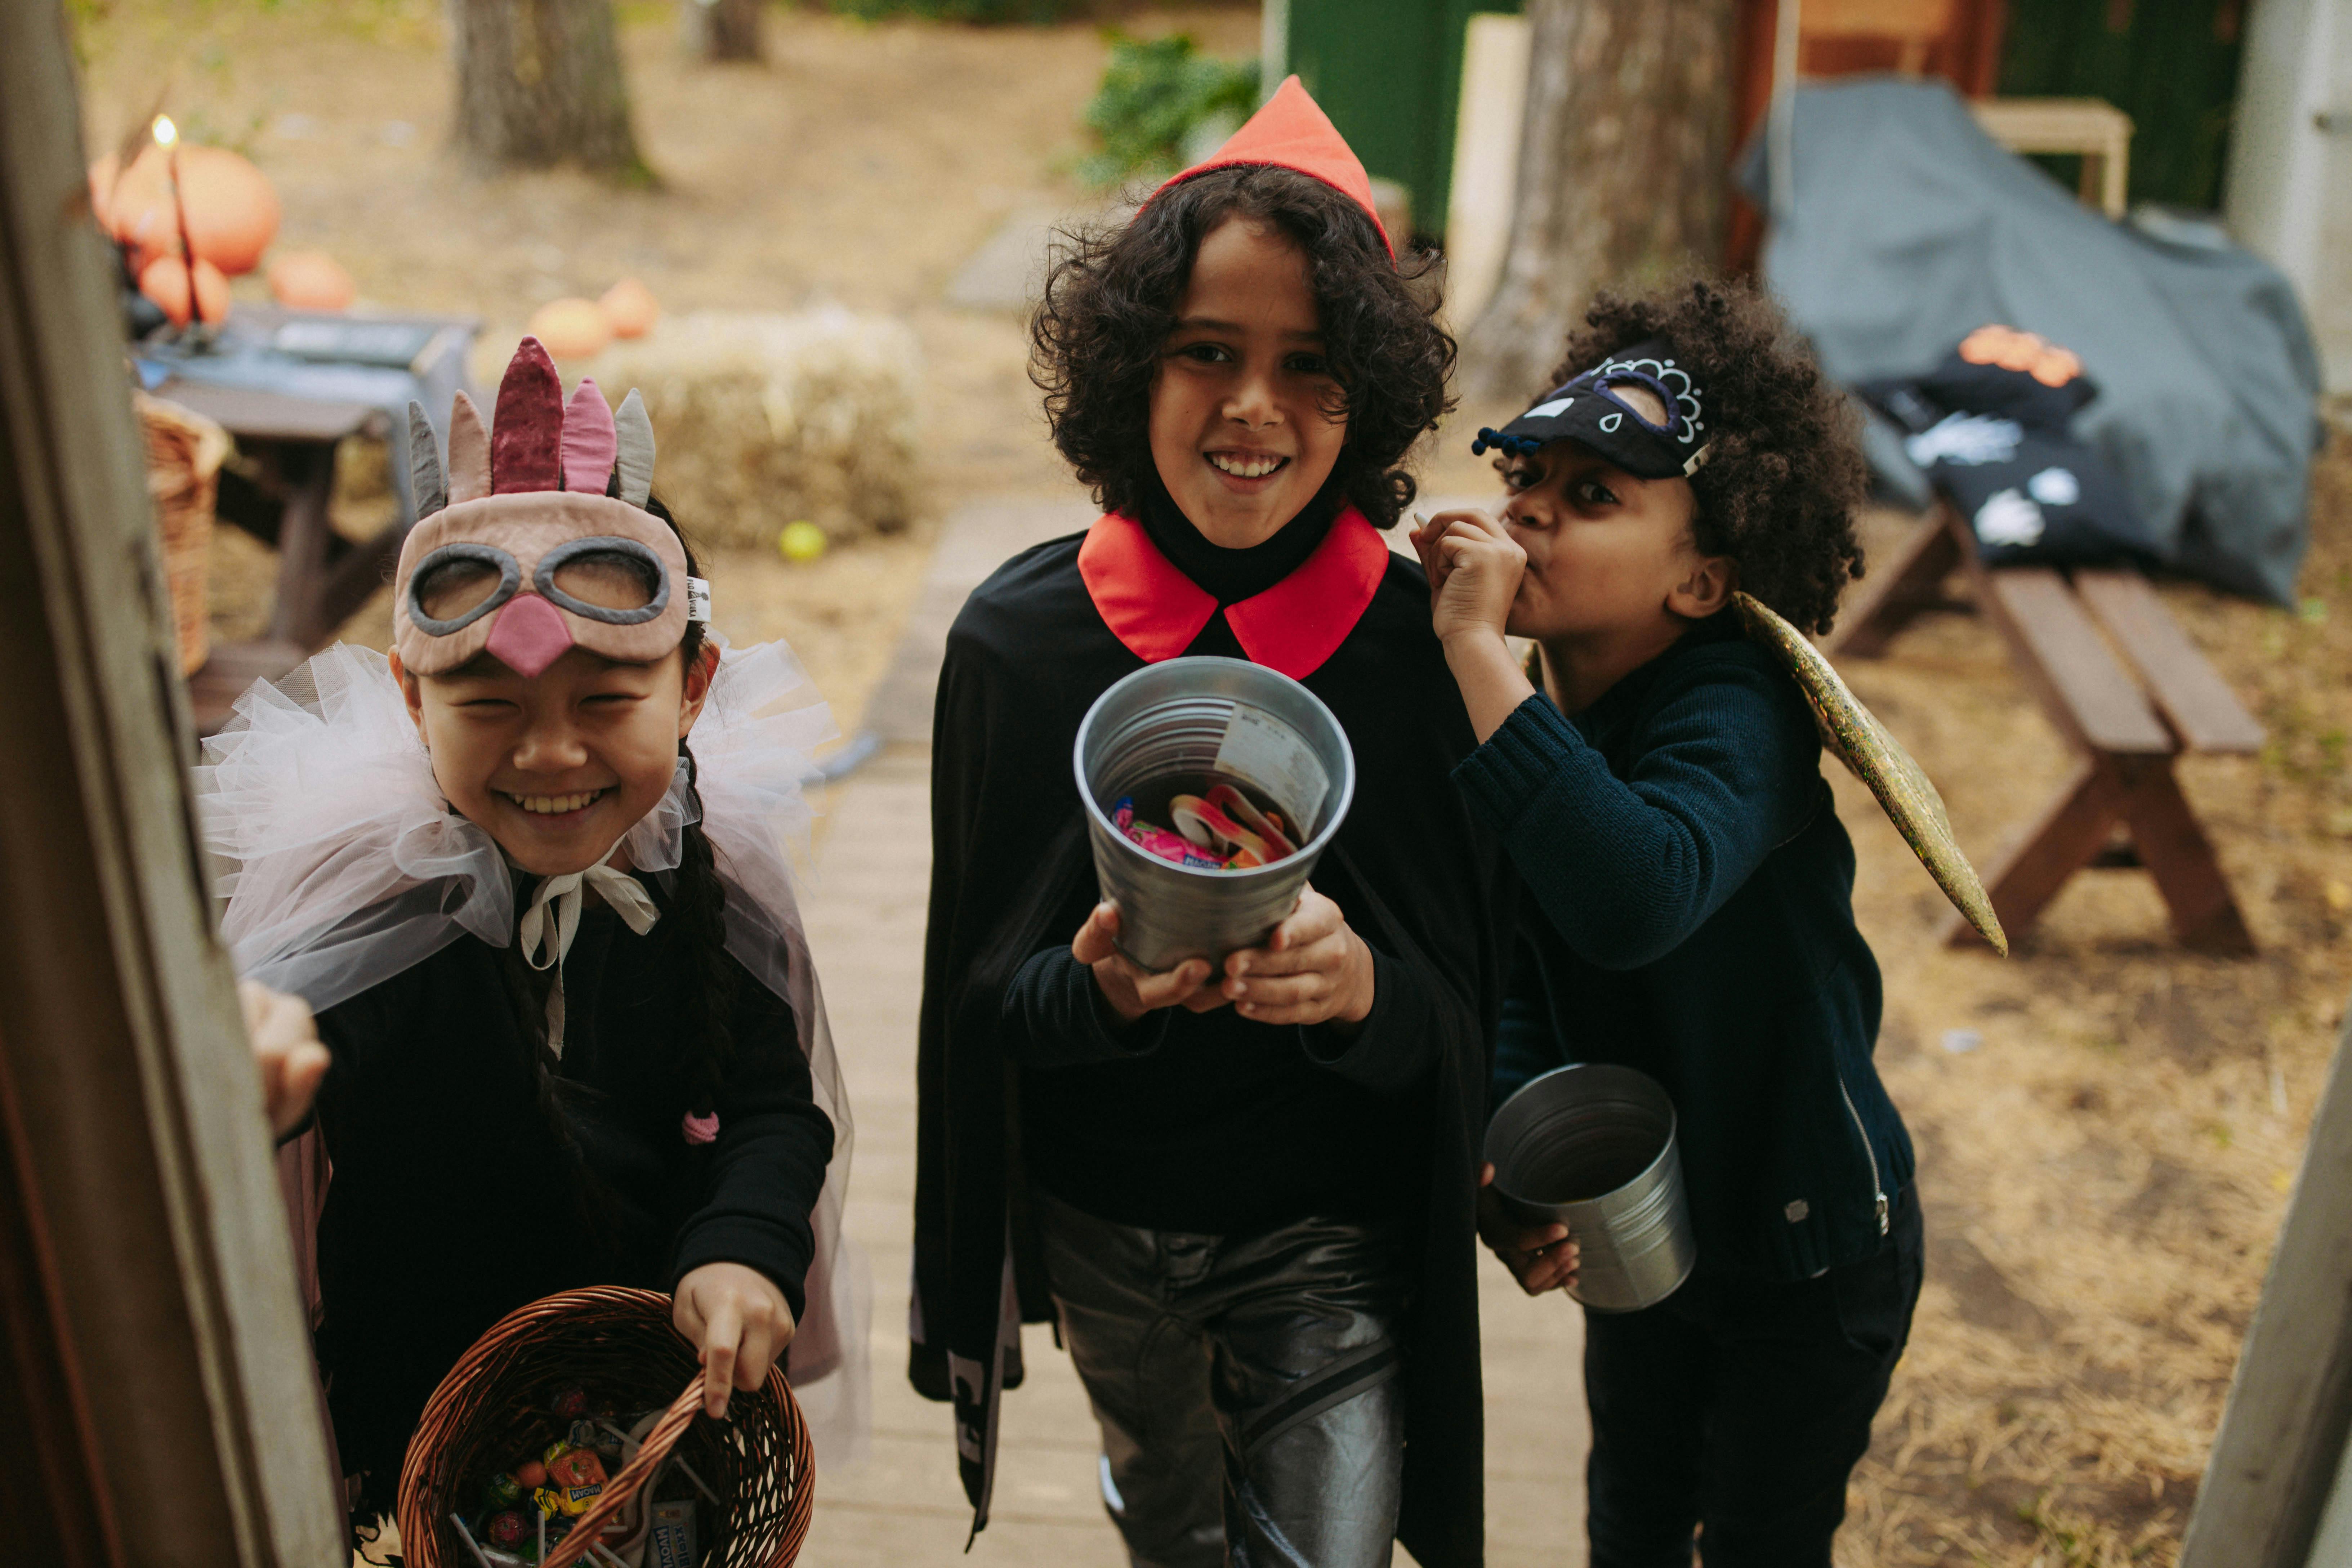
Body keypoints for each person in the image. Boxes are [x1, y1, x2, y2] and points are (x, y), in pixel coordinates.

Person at [912, 80, 1514, 1568]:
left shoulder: (1416, 652)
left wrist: (1366, 990)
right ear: (1130, 373)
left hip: (1332, 1240)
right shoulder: (1020, 646)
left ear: (1367, 394)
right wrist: (1101, 988)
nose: (1254, 407)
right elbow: (978, 1006)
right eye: (1204, 354)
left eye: (1310, 366)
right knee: (1172, 1512)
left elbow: (1471, 1001)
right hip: (1105, 1230)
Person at [200, 339, 861, 1522]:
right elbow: (290, 1044)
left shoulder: (703, 885)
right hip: (414, 1440)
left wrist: (747, 1243)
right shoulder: (378, 904)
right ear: (412, 696)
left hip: (656, 1422)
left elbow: (768, 1100)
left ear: (693, 682)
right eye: (489, 706)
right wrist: (256, 1060)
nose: (551, 754)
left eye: (607, 702)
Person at [1410, 279, 1925, 1567]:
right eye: (1528, 474)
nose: (1528, 509)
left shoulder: (1734, 711)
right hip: (1656, 1236)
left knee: (1758, 1538)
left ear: (1702, 579)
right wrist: (1512, 1140)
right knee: (1628, 1521)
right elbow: (1534, 954)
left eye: (1594, 498)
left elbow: (1633, 897)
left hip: (1812, 1248)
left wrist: (1475, 655)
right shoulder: (1543, 718)